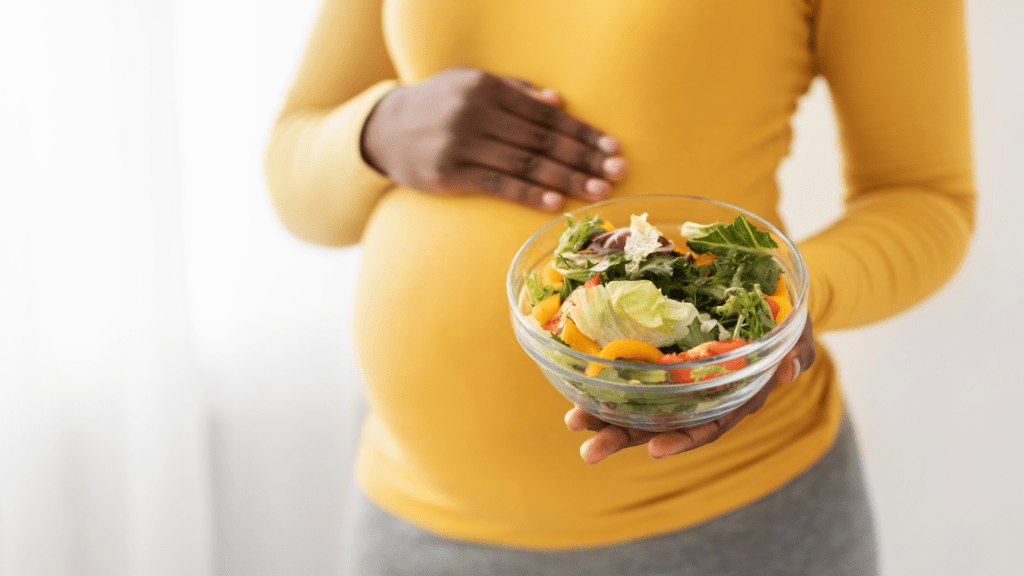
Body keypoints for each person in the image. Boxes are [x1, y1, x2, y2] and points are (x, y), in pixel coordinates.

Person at [264, 0, 975, 574]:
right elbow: (294, 173)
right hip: (413, 520)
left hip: (725, 528)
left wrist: (781, 315)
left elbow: (926, 198)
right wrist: (375, 131)